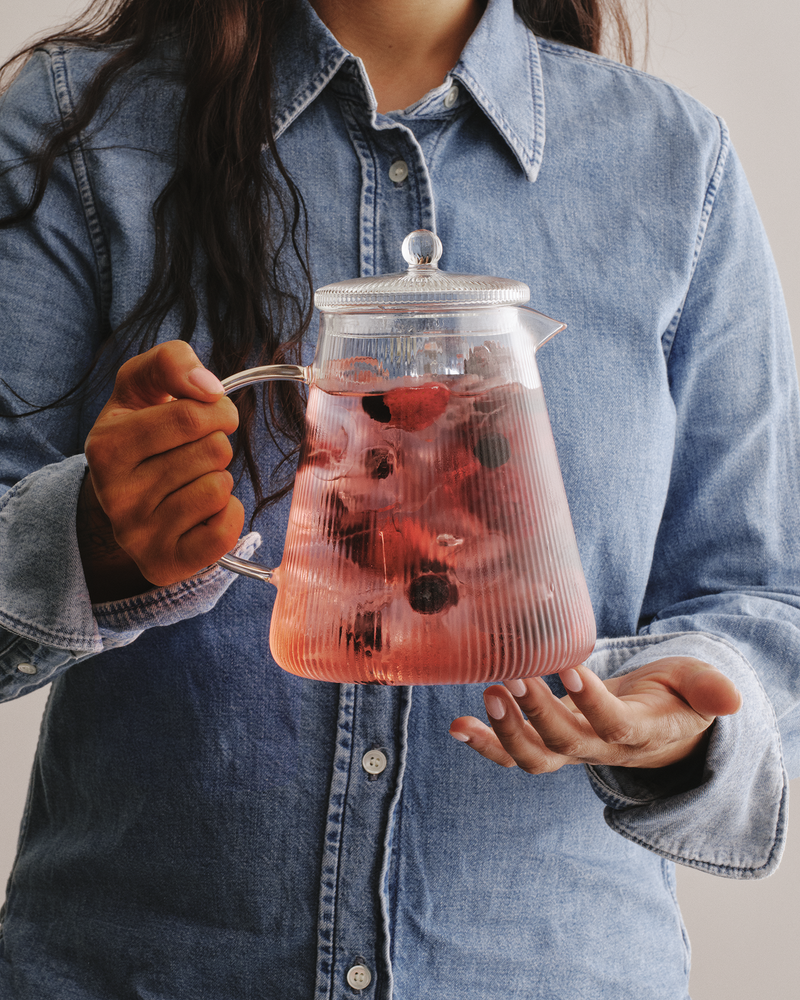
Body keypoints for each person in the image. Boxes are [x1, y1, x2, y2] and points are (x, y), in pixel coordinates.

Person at [0, 0, 798, 997]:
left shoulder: (676, 163)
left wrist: (677, 718)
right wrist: (94, 541)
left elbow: (763, 600)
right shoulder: (76, 130)